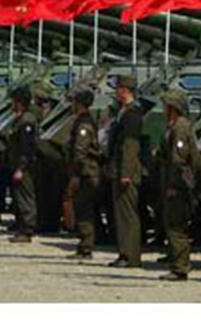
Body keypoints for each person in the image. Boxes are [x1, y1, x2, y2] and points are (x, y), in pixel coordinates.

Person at [157, 88, 201, 281]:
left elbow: (179, 160)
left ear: (173, 107)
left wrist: (173, 185)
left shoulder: (180, 127)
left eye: (166, 104)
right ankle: (177, 262)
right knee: (173, 224)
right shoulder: (174, 125)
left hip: (178, 184)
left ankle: (180, 267)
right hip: (174, 181)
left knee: (176, 226)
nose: (163, 108)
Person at [106, 74, 143, 268]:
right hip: (119, 168)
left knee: (127, 214)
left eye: (118, 88)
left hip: (126, 170)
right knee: (121, 214)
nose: (115, 92)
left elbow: (130, 146)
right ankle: (124, 252)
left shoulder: (132, 114)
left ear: (125, 90)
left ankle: (130, 255)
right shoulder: (123, 112)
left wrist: (126, 172)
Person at [64, 84, 101, 259]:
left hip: (85, 172)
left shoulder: (84, 124)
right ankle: (85, 243)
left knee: (84, 209)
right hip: (86, 171)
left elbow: (80, 151)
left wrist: (75, 175)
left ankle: (86, 247)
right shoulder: (84, 121)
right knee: (83, 208)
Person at [7, 85, 38, 242]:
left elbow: (27, 147)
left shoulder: (27, 121)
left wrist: (21, 168)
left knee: (25, 197)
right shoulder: (20, 119)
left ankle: (27, 229)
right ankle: (21, 226)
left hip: (24, 166)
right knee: (19, 196)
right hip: (18, 164)